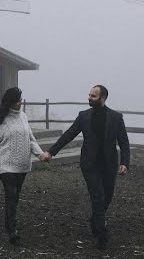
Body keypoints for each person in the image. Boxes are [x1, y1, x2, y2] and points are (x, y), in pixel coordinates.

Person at [40, 85, 130, 250]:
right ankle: (102, 235)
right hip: (90, 164)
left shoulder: (116, 118)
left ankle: (96, 219)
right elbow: (69, 134)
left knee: (107, 197)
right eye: (89, 95)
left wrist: (125, 162)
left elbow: (124, 141)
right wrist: (51, 152)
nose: (89, 98)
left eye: (93, 96)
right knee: (98, 196)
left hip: (109, 164)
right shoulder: (83, 116)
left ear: (102, 98)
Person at [0, 87, 45, 245]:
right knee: (11, 194)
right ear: (11, 101)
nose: (21, 101)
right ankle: (12, 230)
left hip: (22, 165)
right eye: (19, 99)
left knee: (15, 196)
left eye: (21, 98)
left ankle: (8, 222)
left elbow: (31, 139)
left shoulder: (23, 117)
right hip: (5, 165)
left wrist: (40, 154)